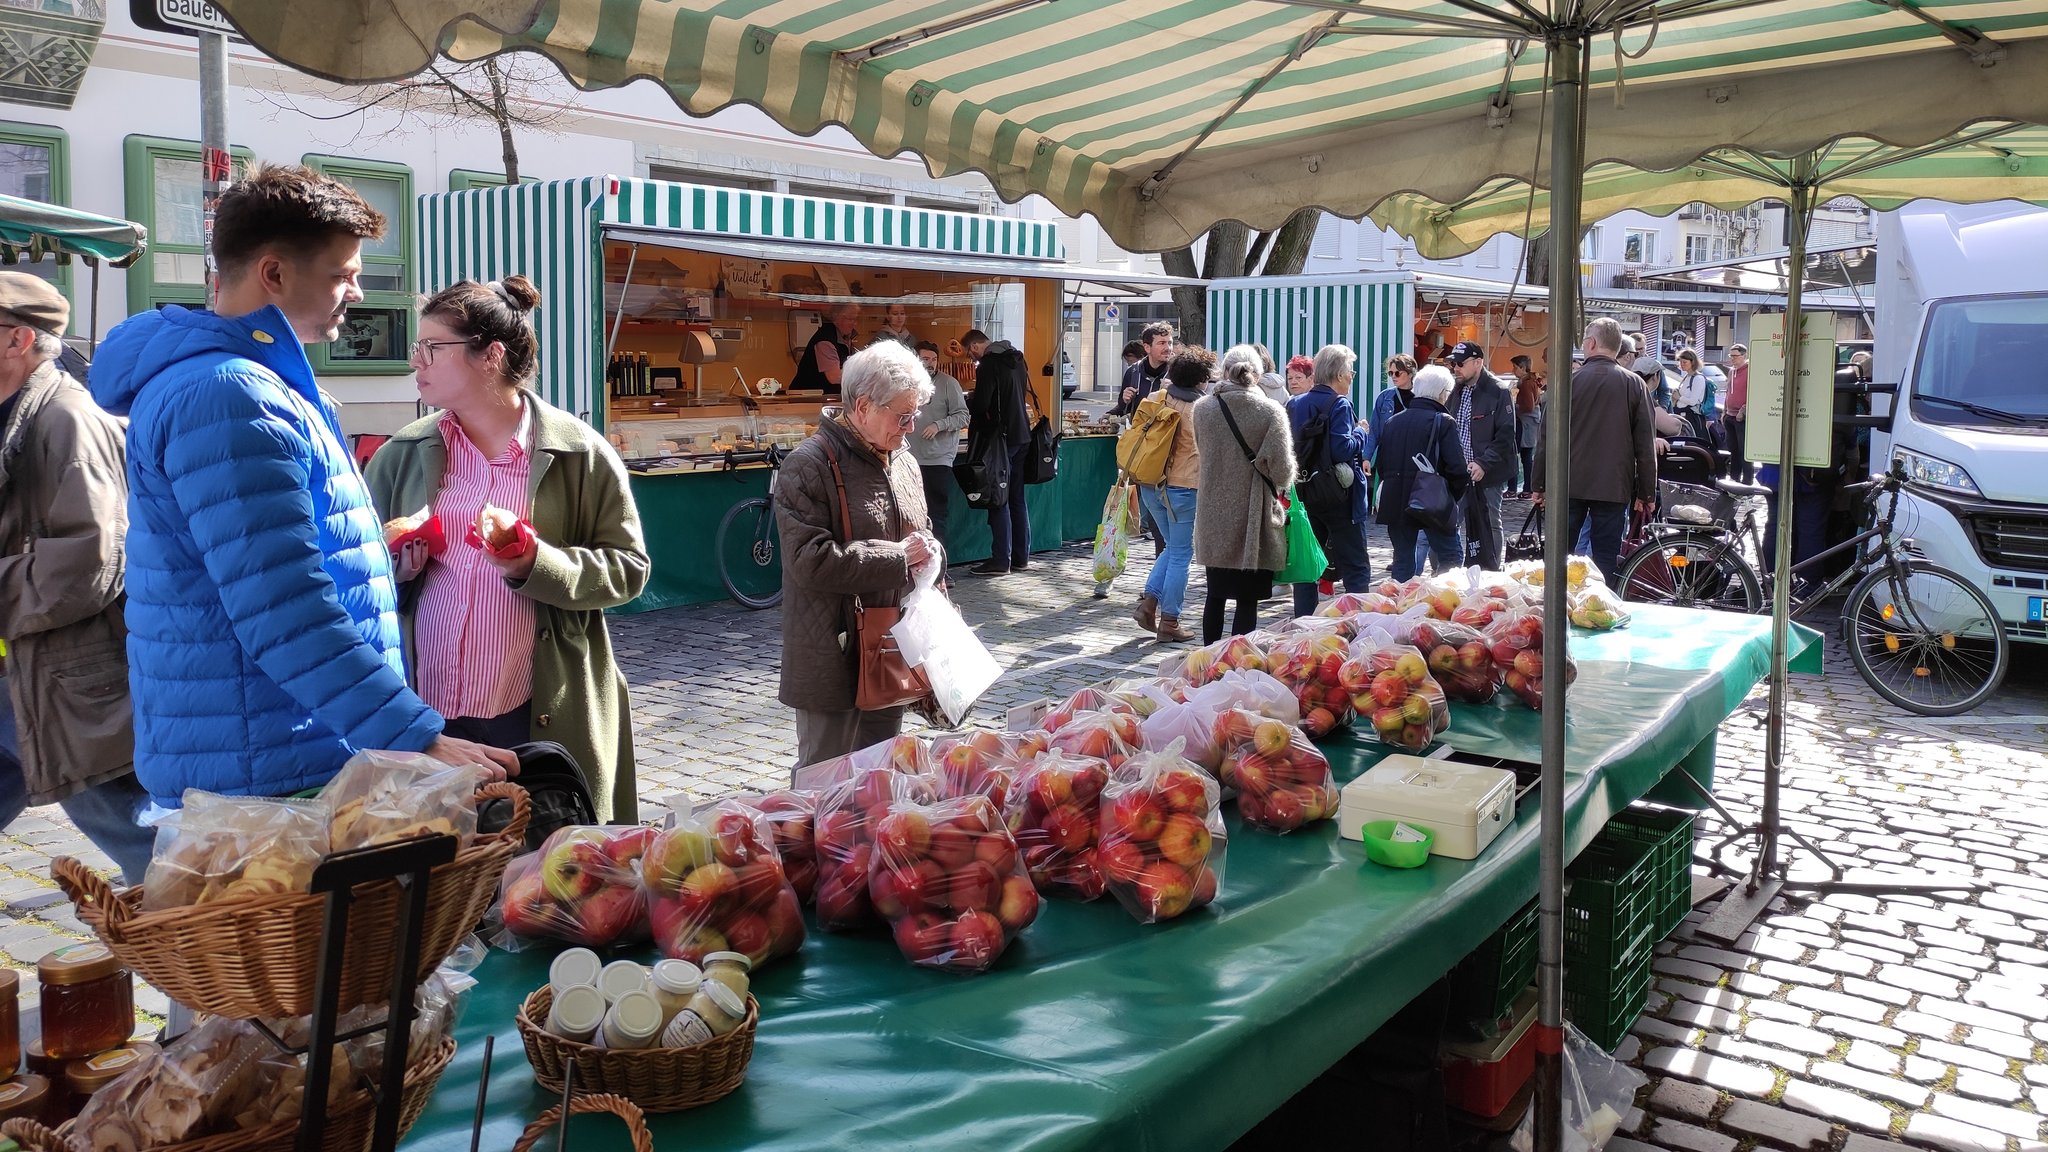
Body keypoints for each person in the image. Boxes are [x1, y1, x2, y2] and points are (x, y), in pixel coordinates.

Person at [90, 164, 514, 807]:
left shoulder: (248, 383)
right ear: (275, 273)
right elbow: (284, 609)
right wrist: (414, 735)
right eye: (343, 273)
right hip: (270, 768)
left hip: (279, 745)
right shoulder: (229, 395)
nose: (358, 290)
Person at [366, 277, 651, 822]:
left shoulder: (578, 453)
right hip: (424, 709)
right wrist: (396, 568)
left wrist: (535, 562)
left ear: (490, 356)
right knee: (441, 878)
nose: (416, 362)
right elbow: (353, 572)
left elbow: (629, 569)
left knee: (539, 871)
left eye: (432, 348)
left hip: (533, 706)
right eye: (416, 348)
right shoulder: (401, 453)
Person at [0, 274, 152, 882]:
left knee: (149, 849)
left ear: (17, 339)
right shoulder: (17, 411)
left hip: (66, 685)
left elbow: (88, 564)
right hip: (19, 677)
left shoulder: (67, 419)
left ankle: (242, 963)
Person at [775, 342, 939, 770]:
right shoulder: (808, 465)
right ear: (863, 406)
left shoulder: (902, 459)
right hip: (833, 650)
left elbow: (920, 535)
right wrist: (898, 557)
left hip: (890, 642)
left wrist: (931, 563)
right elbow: (809, 559)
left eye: (916, 413)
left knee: (878, 771)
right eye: (902, 415)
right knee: (825, 778)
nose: (910, 425)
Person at [1534, 318, 1659, 583]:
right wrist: (1646, 491)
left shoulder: (1567, 383)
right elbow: (1645, 446)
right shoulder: (1634, 384)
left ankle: (1557, 609)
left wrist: (1539, 484)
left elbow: (1545, 438)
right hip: (1613, 485)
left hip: (1568, 483)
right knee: (1606, 557)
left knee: (1559, 556)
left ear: (1590, 343)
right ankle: (1602, 606)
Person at [1192, 345, 1296, 644]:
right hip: (1253, 513)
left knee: (1215, 594)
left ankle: (1207, 656)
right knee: (1247, 599)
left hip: (1213, 510)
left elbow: (1204, 452)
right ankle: (1238, 661)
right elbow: (1283, 471)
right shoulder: (1270, 411)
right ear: (1259, 374)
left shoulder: (1203, 409)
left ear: (1224, 372)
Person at [1130, 347, 1208, 644]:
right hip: (1183, 488)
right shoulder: (1200, 410)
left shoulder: (1156, 398)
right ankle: (1170, 620)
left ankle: (1149, 605)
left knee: (1171, 548)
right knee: (1180, 553)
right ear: (1201, 379)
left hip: (1150, 483)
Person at [1287, 344, 1371, 616]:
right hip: (1339, 496)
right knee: (1356, 565)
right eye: (1351, 371)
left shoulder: (1295, 403)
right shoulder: (1340, 403)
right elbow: (1341, 449)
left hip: (1306, 492)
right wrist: (1361, 433)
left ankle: (1304, 623)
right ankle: (1359, 622)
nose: (1352, 376)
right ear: (1339, 373)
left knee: (1308, 563)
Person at [1374, 366, 1467, 581]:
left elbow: (1383, 464)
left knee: (1403, 562)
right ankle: (1444, 602)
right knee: (1451, 557)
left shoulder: (1393, 421)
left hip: (1396, 500)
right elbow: (1457, 469)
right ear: (1443, 393)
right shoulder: (1444, 421)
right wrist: (1450, 496)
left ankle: (1400, 608)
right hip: (1432, 501)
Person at [1444, 341, 1517, 570]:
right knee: (1452, 521)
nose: (1455, 368)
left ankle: (1491, 570)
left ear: (1478, 363)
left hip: (1488, 472)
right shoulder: (1456, 390)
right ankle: (1453, 570)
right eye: (1453, 363)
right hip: (1459, 471)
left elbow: (1506, 435)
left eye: (1460, 363)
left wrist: (1483, 463)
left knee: (1491, 522)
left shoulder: (1498, 390)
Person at [966, 336, 1034, 576]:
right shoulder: (1017, 359)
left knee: (998, 498)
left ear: (976, 346)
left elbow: (983, 403)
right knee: (1016, 498)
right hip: (1022, 434)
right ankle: (1020, 557)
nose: (971, 359)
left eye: (970, 353)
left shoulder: (988, 364)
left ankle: (1000, 560)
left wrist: (969, 400)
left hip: (1000, 437)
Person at [909, 340, 969, 551]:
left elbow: (963, 417)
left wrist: (939, 424)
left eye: (934, 359)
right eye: (925, 359)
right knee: (911, 515)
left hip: (937, 459)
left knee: (936, 515)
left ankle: (940, 568)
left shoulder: (948, 383)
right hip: (908, 459)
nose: (930, 363)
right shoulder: (905, 383)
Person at [793, 301, 858, 396]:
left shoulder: (845, 337)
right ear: (837, 317)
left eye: (856, 319)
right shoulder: (826, 340)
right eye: (851, 319)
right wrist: (862, 375)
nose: (855, 324)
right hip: (808, 399)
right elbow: (834, 377)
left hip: (826, 398)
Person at [1111, 321, 1173, 417]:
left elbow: (1192, 405)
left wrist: (1177, 392)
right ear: (1147, 347)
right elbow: (1123, 408)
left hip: (1167, 431)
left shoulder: (1178, 372)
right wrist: (1125, 400)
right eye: (1162, 343)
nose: (1168, 348)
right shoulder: (1133, 371)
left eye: (1170, 343)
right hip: (1139, 431)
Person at [1512, 355, 1543, 495]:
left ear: (1523, 368)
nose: (1513, 370)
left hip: (1525, 424)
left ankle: (1517, 489)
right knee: (1526, 457)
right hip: (1530, 424)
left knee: (1518, 455)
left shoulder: (1526, 384)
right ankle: (1527, 488)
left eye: (1515, 367)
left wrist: (1515, 406)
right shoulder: (1532, 381)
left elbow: (1529, 406)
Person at [1724, 343, 1751, 483]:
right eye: (1731, 356)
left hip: (1742, 417)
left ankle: (1747, 482)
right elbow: (1728, 392)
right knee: (1733, 450)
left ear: (1744, 356)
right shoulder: (1731, 371)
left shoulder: (1750, 371)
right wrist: (1724, 412)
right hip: (1730, 415)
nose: (1732, 359)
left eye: (1735, 356)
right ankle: (1734, 480)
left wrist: (1744, 410)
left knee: (1744, 451)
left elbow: (1754, 394)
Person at [1674, 348, 1711, 438]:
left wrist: (1678, 397)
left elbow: (1693, 401)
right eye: (1681, 362)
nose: (1682, 364)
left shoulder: (1698, 378)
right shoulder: (1687, 377)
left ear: (1693, 362)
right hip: (1683, 415)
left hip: (1693, 417)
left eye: (1685, 362)